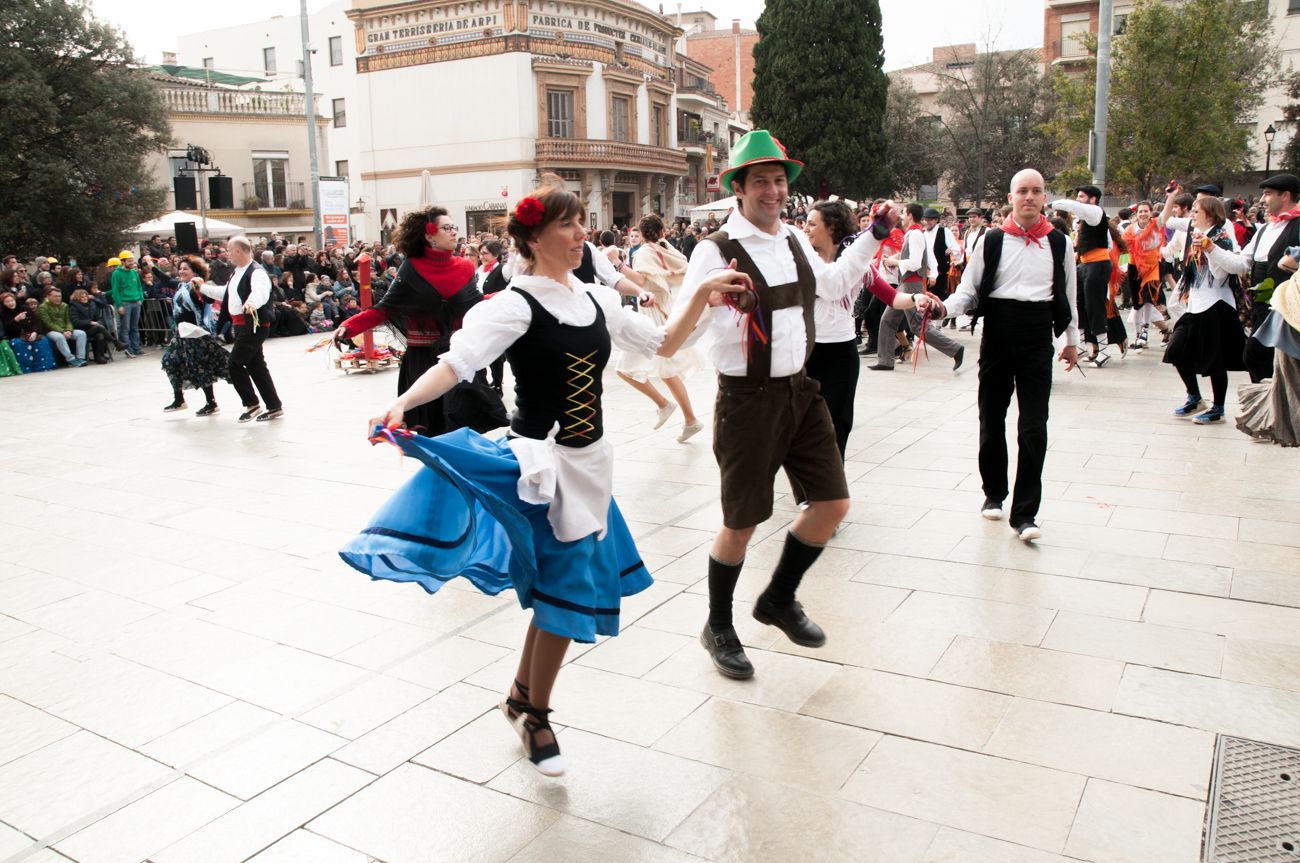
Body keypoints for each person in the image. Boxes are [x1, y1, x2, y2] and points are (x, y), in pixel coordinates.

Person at [341, 178, 751, 776]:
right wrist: (401, 404)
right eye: (569, 224)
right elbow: (457, 362)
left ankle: (521, 702)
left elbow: (663, 342)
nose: (583, 233)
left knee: (560, 592)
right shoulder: (513, 304)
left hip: (592, 464)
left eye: (583, 221)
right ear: (533, 239)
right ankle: (533, 714)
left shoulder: (595, 300)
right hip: (542, 467)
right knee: (566, 590)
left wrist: (702, 294)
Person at [668, 130, 903, 680]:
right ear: (739, 190)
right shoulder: (714, 250)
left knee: (832, 503)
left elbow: (836, 282)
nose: (773, 191)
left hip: (801, 391)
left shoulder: (797, 240)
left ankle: (778, 598)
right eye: (761, 182)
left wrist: (873, 235)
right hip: (747, 400)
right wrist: (707, 297)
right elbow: (682, 329)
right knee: (742, 522)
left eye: (779, 181)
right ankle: (718, 626)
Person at [930, 169, 1080, 542]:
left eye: (1036, 191)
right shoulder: (992, 241)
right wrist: (942, 309)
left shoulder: (1060, 243)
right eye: (1022, 191)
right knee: (991, 418)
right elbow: (969, 290)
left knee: (1033, 426)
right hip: (998, 332)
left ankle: (1026, 514)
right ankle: (994, 493)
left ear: (1045, 197)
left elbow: (1068, 298)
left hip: (1036, 336)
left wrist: (1071, 341)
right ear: (1011, 197)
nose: (1029, 197)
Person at [331, 206, 483, 436]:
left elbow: (479, 304)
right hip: (423, 359)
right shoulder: (411, 268)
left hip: (459, 355)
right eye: (447, 227)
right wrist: (349, 326)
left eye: (454, 227)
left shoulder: (464, 267)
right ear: (429, 235)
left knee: (462, 427)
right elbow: (385, 309)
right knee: (430, 431)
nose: (454, 232)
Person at [803, 200, 928, 466]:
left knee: (836, 424)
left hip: (840, 354)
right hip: (803, 351)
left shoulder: (856, 264)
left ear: (832, 227)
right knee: (802, 424)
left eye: (812, 224)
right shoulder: (804, 262)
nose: (806, 229)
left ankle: (830, 487)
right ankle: (806, 485)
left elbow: (893, 298)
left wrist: (917, 298)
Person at [614, 213, 704, 442]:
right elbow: (680, 269)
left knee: (626, 368)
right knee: (667, 370)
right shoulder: (665, 248)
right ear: (661, 231)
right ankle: (688, 418)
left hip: (652, 316)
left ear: (643, 233)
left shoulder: (645, 251)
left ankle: (668, 407)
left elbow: (642, 280)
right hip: (663, 311)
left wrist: (618, 264)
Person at [1162, 195, 1248, 424]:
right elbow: (1167, 220)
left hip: (1216, 304)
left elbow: (1222, 274)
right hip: (1195, 304)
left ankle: (1218, 407)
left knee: (1214, 360)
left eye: (1196, 211)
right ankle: (1194, 396)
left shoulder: (1221, 236)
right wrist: (1171, 198)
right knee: (1176, 350)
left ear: (1210, 214)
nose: (1192, 215)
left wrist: (1210, 250)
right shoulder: (1194, 232)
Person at [1212, 173, 1300, 383]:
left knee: (1260, 355)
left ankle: (1276, 407)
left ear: (1285, 195)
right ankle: (1272, 406)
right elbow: (1240, 264)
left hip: (1290, 308)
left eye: (1268, 194)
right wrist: (1210, 249)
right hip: (1263, 307)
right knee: (1256, 356)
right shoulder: (1266, 229)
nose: (1262, 200)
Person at [872, 202, 966, 372]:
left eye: (903, 213)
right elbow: (914, 257)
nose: (901, 216)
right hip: (906, 284)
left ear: (909, 215)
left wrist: (895, 261)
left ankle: (954, 348)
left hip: (911, 286)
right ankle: (885, 360)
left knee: (916, 326)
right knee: (887, 320)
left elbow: (915, 263)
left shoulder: (915, 234)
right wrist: (897, 257)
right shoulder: (913, 233)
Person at [199, 235, 284, 422]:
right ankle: (274, 406)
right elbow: (226, 293)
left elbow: (260, 291)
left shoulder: (256, 271)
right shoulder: (237, 272)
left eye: (229, 251)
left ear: (238, 251)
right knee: (256, 366)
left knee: (234, 363)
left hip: (253, 323)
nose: (227, 254)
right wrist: (202, 287)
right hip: (241, 324)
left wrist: (252, 302)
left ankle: (251, 404)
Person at [1054, 187, 1126, 367]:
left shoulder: (1095, 213)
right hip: (1085, 265)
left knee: (1095, 307)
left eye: (1082, 196)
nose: (1078, 200)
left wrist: (1049, 204)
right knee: (1078, 304)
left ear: (1093, 199)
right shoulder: (1084, 219)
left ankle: (1103, 351)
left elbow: (1108, 246)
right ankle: (1084, 345)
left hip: (1097, 265)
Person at [1237, 273, 1300, 445]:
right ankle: (1267, 419)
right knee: (1285, 384)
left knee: (1286, 384)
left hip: (1289, 320)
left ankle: (1267, 419)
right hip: (1289, 319)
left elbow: (1287, 262)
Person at [162, 257, 229, 416]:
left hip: (195, 334)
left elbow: (208, 299)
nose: (181, 271)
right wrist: (152, 267)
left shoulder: (197, 287)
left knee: (200, 366)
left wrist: (200, 288)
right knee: (170, 362)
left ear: (195, 272)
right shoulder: (181, 286)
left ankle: (211, 403)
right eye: (180, 268)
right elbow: (167, 280)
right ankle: (179, 400)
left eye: (185, 269)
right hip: (180, 335)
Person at [1123, 201, 1170, 350]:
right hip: (1134, 267)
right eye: (1140, 211)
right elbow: (1122, 247)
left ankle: (1145, 330)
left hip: (1152, 266)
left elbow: (1166, 213)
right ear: (1136, 215)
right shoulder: (1129, 231)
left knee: (1149, 297)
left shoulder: (1156, 225)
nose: (1143, 214)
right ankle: (1138, 337)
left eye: (1146, 211)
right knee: (1137, 304)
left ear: (1151, 213)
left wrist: (1172, 196)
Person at [1, 291, 56, 372]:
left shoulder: (25, 308)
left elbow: (36, 322)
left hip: (32, 333)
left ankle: (45, 366)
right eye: (7, 302)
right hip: (16, 336)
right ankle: (26, 368)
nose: (10, 303)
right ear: (3, 303)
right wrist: (16, 320)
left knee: (43, 341)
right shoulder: (3, 314)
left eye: (12, 300)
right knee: (18, 343)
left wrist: (35, 332)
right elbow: (7, 329)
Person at [36, 287, 87, 367]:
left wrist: (69, 330)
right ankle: (70, 358)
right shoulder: (43, 307)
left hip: (65, 329)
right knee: (59, 337)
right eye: (55, 296)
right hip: (50, 330)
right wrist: (62, 331)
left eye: (59, 296)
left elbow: (68, 320)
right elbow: (48, 323)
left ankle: (81, 358)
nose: (58, 298)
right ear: (48, 297)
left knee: (81, 334)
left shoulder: (64, 305)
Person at [111, 250, 145, 357]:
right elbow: (115, 290)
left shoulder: (134, 272)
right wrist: (119, 305)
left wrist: (141, 298)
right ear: (123, 261)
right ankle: (128, 349)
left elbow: (139, 286)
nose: (132, 263)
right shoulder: (116, 274)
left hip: (136, 302)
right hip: (125, 303)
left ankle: (137, 348)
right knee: (126, 328)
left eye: (132, 261)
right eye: (129, 261)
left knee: (134, 327)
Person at [67, 288, 111, 364]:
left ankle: (99, 356)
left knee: (99, 334)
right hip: (80, 329)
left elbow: (97, 318)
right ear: (77, 298)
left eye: (85, 296)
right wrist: (89, 322)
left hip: (92, 328)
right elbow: (75, 322)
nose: (84, 298)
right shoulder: (73, 308)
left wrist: (97, 322)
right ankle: (114, 341)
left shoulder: (91, 305)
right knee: (98, 328)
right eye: (82, 297)